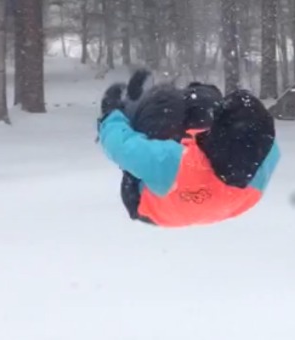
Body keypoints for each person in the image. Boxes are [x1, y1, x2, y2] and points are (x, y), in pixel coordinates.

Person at [97, 69, 280, 227]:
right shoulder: (261, 159)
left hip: (149, 206)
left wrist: (110, 114)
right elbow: (258, 139)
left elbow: (119, 144)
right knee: (202, 104)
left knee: (163, 107)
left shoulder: (173, 161)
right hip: (229, 205)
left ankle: (135, 106)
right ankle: (194, 98)